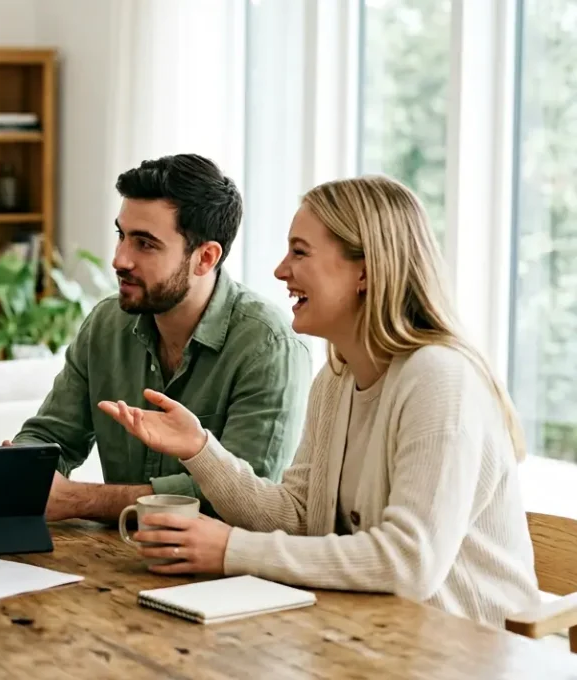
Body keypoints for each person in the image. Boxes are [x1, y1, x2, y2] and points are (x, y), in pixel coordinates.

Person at [104, 175, 541, 627]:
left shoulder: (440, 380)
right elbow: (297, 517)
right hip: (373, 640)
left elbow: (409, 564)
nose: (280, 270)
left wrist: (230, 550)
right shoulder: (336, 379)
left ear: (365, 271)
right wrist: (200, 450)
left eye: (300, 251)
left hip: (471, 654)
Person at [0, 154, 311, 522]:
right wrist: (20, 467)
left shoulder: (269, 346)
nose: (119, 259)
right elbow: (52, 438)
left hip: (219, 572)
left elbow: (248, 501)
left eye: (144, 244)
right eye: (121, 235)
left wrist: (81, 500)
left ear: (205, 258)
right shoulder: (106, 324)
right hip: (115, 559)